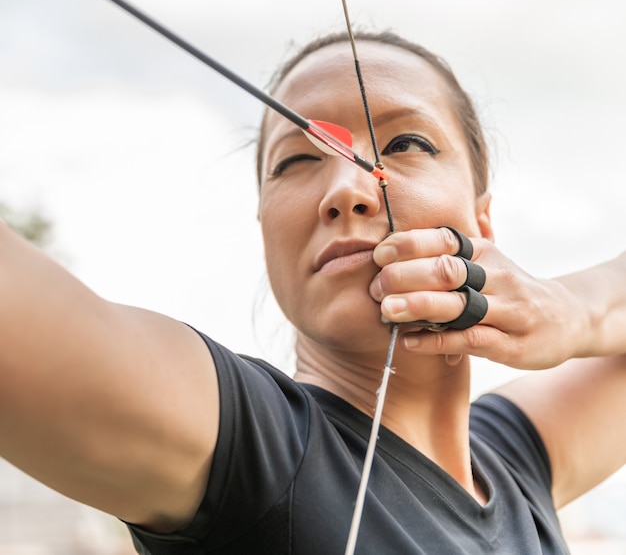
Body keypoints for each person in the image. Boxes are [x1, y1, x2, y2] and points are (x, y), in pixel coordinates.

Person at [0, 29, 624, 554]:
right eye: (296, 160)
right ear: (266, 226)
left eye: (406, 144)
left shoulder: (515, 459)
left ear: (481, 221)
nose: (346, 190)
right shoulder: (252, 443)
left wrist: (575, 308)